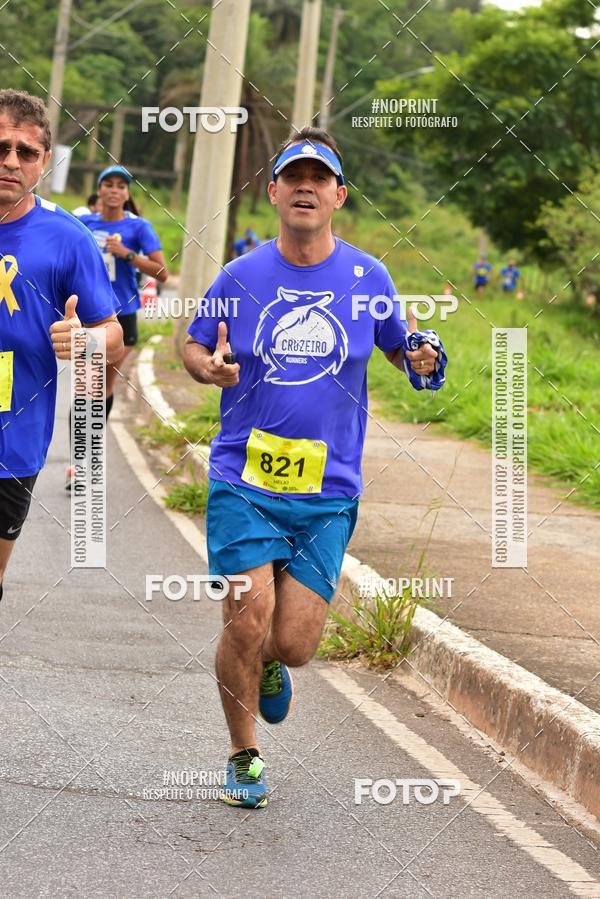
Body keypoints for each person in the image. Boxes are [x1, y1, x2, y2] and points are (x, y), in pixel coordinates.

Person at [183, 127, 447, 808]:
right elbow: (191, 344)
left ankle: (269, 664)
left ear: (338, 195)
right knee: (245, 618)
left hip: (327, 492)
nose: (305, 186)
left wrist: (422, 358)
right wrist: (206, 366)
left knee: (293, 643)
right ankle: (244, 755)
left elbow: (404, 348)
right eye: (292, 175)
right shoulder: (241, 277)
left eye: (319, 177)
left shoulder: (368, 278)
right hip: (245, 479)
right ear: (273, 191)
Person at [0, 89, 123, 598]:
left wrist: (85, 339)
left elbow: (112, 334)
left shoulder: (66, 236)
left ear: (43, 162)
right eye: (1, 146)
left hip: (12, 438)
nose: (10, 161)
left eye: (25, 152)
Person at [66, 165, 169, 487]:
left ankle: (86, 456)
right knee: (87, 388)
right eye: (108, 184)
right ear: (99, 191)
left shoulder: (139, 227)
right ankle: (79, 463)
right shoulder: (84, 224)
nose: (114, 190)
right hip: (90, 314)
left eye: (120, 186)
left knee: (104, 388)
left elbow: (162, 272)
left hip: (122, 316)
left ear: (127, 193)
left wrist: (127, 255)